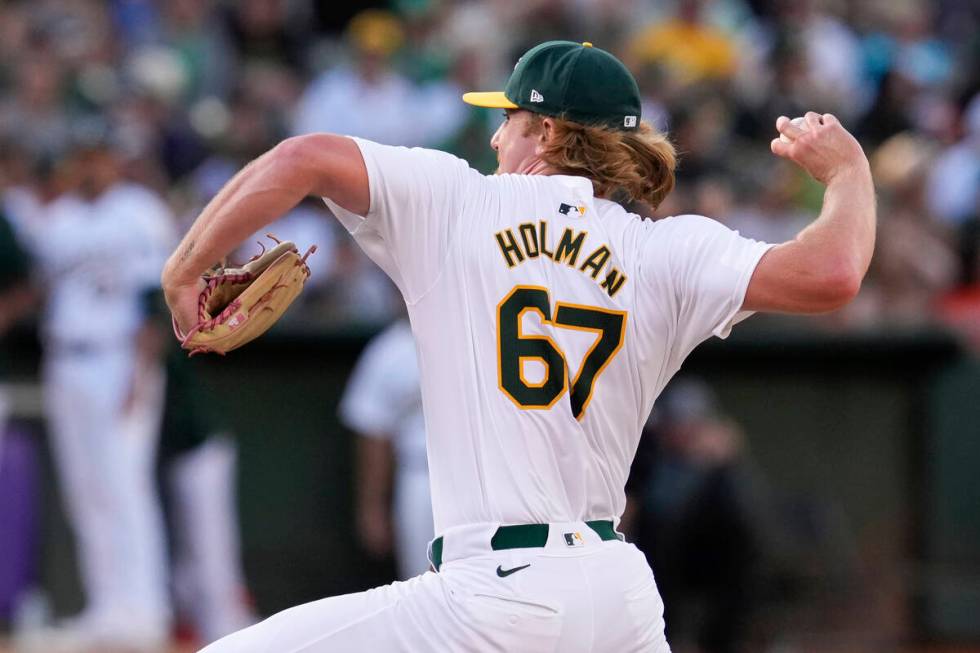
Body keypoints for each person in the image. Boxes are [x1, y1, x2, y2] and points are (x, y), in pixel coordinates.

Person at [162, 40, 875, 653]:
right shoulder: (668, 249)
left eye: (507, 119)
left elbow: (303, 156)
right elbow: (833, 272)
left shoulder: (456, 203)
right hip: (617, 595)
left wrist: (186, 267)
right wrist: (847, 173)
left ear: (543, 130)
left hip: (493, 599)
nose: (497, 136)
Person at [18, 133, 176, 651]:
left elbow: (158, 298)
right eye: (80, 157)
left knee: (124, 485)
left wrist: (142, 371)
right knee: (85, 490)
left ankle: (146, 610)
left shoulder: (139, 211)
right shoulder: (58, 220)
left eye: (96, 157)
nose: (88, 167)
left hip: (118, 359)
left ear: (114, 161)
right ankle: (107, 606)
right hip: (66, 358)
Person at [339, 317, 433, 580]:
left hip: (476, 477)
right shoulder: (389, 349)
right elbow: (372, 432)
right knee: (421, 583)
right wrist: (372, 506)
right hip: (419, 473)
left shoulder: (476, 333)